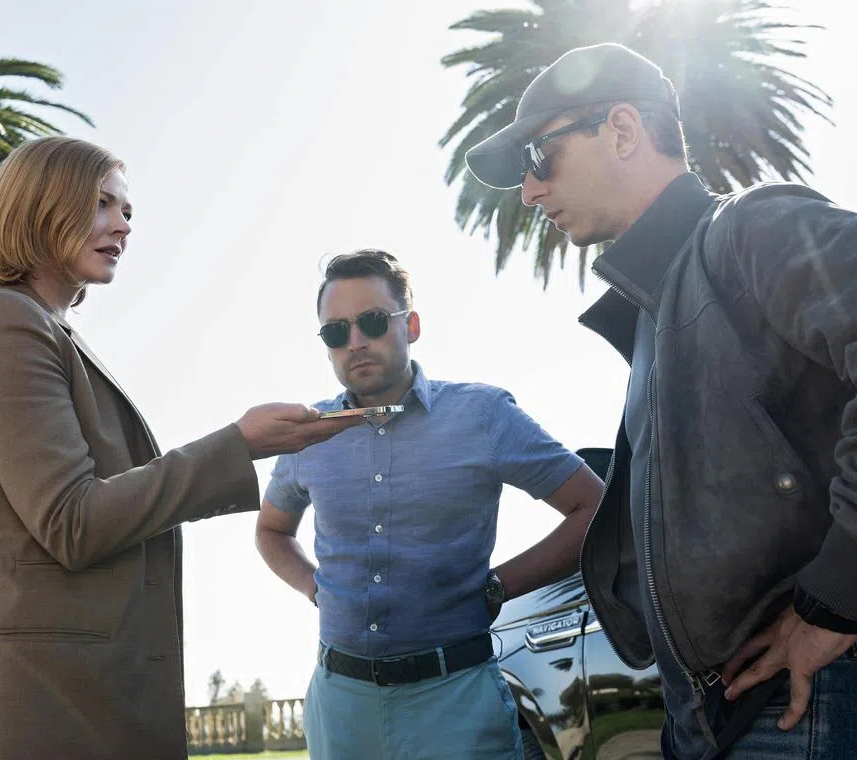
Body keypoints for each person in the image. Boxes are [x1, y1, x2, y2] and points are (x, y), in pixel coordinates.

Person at [0, 136, 362, 760]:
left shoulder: (45, 330)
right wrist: (238, 446)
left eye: (128, 211)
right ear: (38, 207)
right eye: (102, 204)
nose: (123, 224)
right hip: (22, 705)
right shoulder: (3, 323)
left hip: (66, 694)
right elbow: (71, 520)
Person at [464, 42, 857, 759]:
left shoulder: (749, 230)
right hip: (713, 719)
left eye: (539, 156)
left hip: (808, 703)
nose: (526, 191)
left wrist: (835, 600)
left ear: (621, 129)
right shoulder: (656, 311)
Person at [255, 249, 604, 760]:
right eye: (336, 331)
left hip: (457, 698)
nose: (355, 342)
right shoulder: (308, 434)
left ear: (411, 325)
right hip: (341, 704)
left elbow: (593, 506)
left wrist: (500, 586)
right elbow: (270, 531)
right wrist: (315, 588)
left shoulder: (482, 415)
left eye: (372, 322)